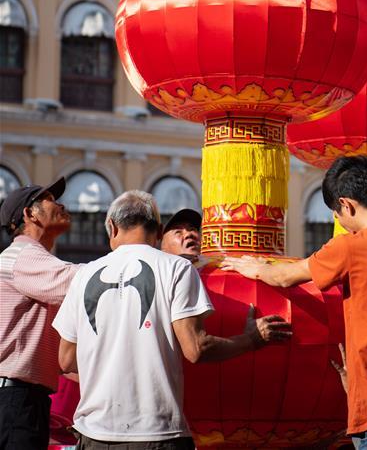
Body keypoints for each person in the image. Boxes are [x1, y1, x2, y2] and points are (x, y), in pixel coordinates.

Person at [223, 156, 367, 449]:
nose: (340, 222)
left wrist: (254, 266)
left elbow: (285, 277)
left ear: (346, 205)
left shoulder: (354, 245)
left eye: (337, 214)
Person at [53, 190, 292, 450]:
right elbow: (196, 349)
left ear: (112, 227)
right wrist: (252, 339)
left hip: (94, 434)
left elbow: (66, 360)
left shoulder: (84, 275)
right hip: (157, 434)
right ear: (158, 231)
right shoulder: (176, 268)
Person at [0, 177, 79, 450]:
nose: (61, 205)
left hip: (19, 398)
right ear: (29, 213)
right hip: (15, 399)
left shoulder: (28, 260)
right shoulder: (23, 256)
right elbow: (79, 281)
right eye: (50, 200)